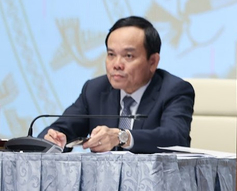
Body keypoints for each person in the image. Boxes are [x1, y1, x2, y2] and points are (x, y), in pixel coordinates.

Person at [39, 16, 194, 153]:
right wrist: (55, 139)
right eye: (111, 55)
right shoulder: (94, 90)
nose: (117, 64)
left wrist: (122, 136)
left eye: (128, 56)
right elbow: (60, 128)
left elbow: (175, 138)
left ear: (152, 61)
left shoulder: (174, 90)